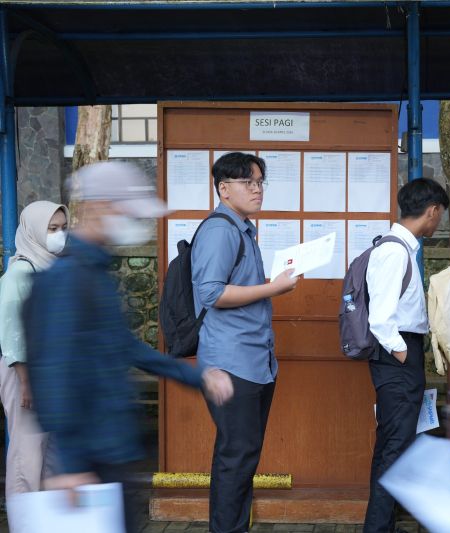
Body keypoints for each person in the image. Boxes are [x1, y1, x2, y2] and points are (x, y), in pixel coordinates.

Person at [25, 161, 233, 533]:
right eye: (130, 212)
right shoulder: (68, 280)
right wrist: (70, 465)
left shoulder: (94, 274)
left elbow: (124, 346)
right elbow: (54, 371)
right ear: (102, 207)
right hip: (89, 457)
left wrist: (197, 374)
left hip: (110, 447)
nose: (136, 224)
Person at [191, 152, 298, 533]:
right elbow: (211, 293)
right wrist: (273, 287)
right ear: (224, 188)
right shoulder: (221, 229)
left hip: (252, 361)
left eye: (259, 182)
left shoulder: (242, 228)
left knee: (243, 455)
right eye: (247, 183)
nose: (257, 190)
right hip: (231, 362)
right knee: (236, 457)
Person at [363, 177, 449, 533]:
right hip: (397, 356)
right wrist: (403, 356)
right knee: (395, 449)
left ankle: (381, 524)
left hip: (402, 355)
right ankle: (378, 527)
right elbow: (381, 319)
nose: (439, 222)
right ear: (431, 211)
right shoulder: (394, 251)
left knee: (393, 446)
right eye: (439, 214)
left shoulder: (400, 247)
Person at [0, 201, 68, 498]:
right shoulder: (19, 274)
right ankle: (24, 521)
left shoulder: (51, 269)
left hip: (49, 372)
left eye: (64, 228)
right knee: (27, 452)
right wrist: (26, 382)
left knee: (50, 452)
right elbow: (12, 333)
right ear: (33, 232)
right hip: (25, 373)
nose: (59, 235)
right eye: (52, 229)